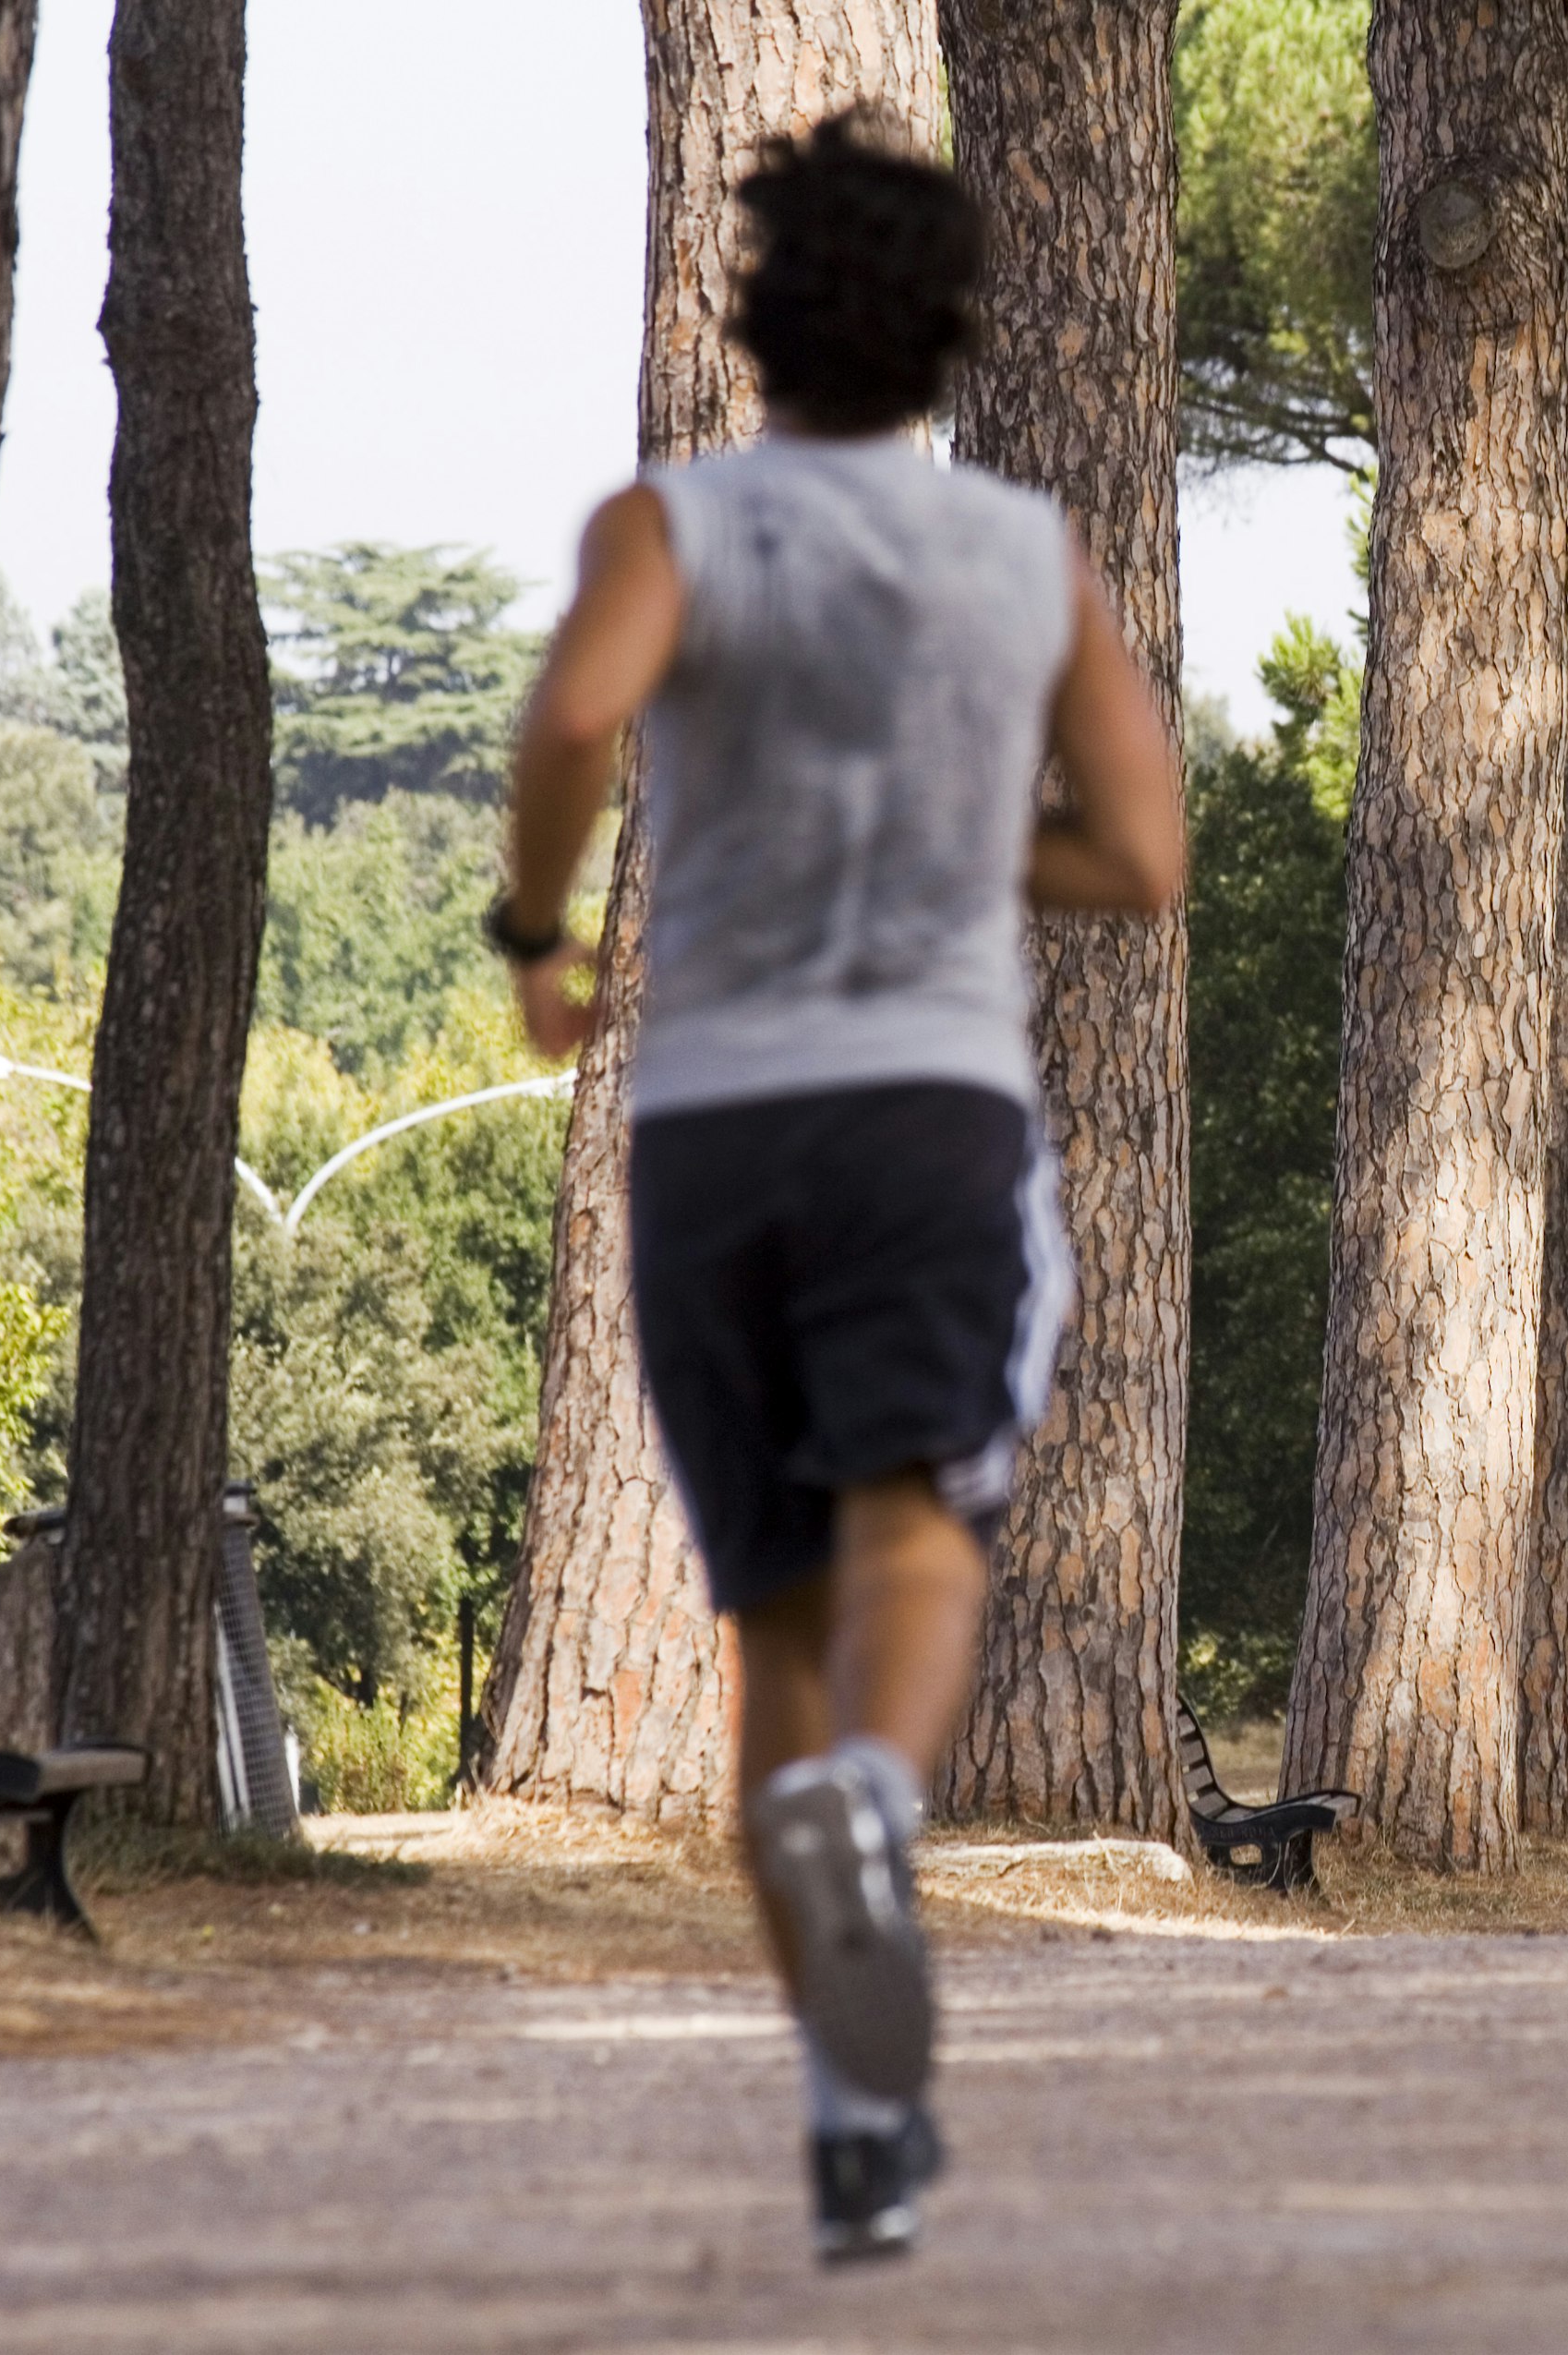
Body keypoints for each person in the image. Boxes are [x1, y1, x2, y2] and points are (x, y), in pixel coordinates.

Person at [492, 114, 1184, 2264]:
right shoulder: (1025, 556)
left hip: (706, 1120)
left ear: (751, 325)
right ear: (951, 339)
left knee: (774, 1603)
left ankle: (850, 2115)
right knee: (923, 1516)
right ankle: (883, 1808)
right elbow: (1141, 861)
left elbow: (576, 717)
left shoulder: (672, 524)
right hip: (927, 1108)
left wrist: (541, 935)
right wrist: (966, 856)